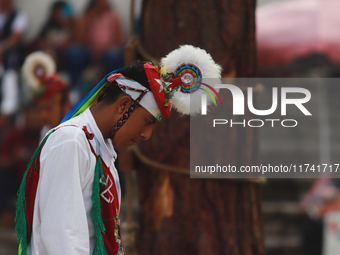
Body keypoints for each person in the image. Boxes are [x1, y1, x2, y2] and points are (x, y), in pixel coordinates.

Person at [15, 45, 222, 254]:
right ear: (124, 105)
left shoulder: (101, 148)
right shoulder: (71, 141)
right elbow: (63, 239)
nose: (146, 134)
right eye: (147, 122)